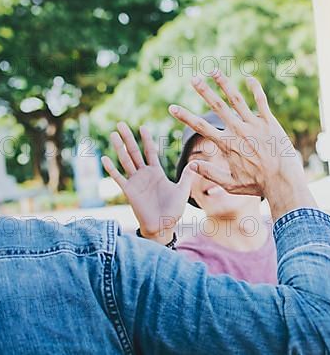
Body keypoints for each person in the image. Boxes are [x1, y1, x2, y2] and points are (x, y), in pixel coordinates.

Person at [0, 74, 330, 354]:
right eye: (199, 159)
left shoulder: (283, 249)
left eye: (225, 156)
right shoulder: (100, 261)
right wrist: (286, 183)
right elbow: (325, 335)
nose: (213, 171)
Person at [106, 109, 277, 284]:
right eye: (198, 162)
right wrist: (157, 237)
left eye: (228, 154)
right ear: (188, 190)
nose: (212, 170)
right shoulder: (184, 262)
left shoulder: (294, 243)